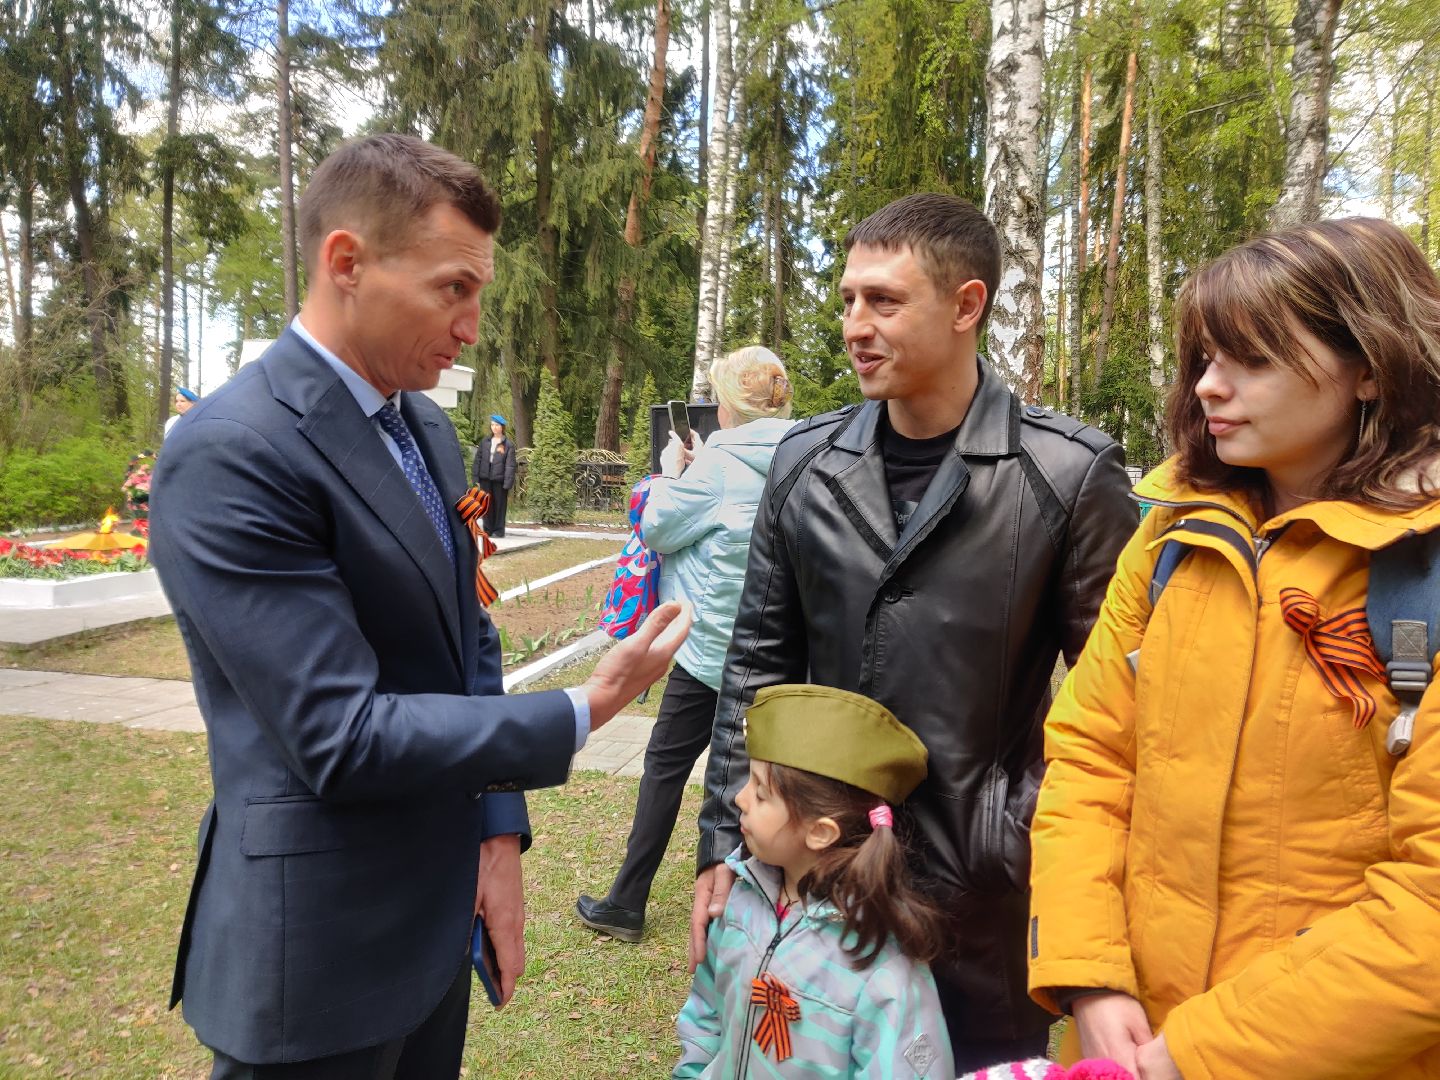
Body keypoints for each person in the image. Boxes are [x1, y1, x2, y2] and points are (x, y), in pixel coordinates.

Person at [148, 133, 691, 1079]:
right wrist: (582, 709)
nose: (473, 325)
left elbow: (465, 642)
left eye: (479, 291)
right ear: (347, 263)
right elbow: (339, 734)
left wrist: (497, 837)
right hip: (316, 953)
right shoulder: (235, 451)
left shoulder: (425, 430)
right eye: (453, 288)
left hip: (434, 930)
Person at [692, 192, 1138, 1071]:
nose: (856, 324)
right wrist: (721, 837)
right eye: (850, 299)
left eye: (885, 301)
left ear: (967, 305)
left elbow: (1120, 709)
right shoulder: (806, 462)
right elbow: (756, 664)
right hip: (813, 883)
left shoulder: (1068, 473)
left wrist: (1012, 826)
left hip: (977, 897)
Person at [1028, 218, 1440, 1079]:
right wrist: (1090, 980)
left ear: (1370, 365)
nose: (1209, 387)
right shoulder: (1173, 536)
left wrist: (1201, 1053)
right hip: (1126, 1043)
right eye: (1205, 358)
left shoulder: (1425, 572)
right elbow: (1089, 761)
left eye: (1250, 358)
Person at [576, 346, 795, 942]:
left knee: (668, 767)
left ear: (728, 405)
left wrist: (675, 472)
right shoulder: (804, 454)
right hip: (769, 651)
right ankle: (755, 906)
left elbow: (656, 524)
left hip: (704, 649)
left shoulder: (715, 464)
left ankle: (631, 900)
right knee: (754, 780)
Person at [675, 684, 955, 1078]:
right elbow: (707, 1007)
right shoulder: (740, 901)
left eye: (760, 791)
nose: (740, 798)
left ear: (820, 832)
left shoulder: (880, 967)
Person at [471, 413, 515, 537]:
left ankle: (499, 530)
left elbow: (510, 465)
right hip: (486, 478)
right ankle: (488, 529)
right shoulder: (485, 442)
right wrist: (476, 477)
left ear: (502, 427)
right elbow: (478, 460)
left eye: (497, 425)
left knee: (499, 505)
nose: (494, 427)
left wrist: (508, 482)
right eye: (492, 425)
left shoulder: (507, 444)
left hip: (499, 480)